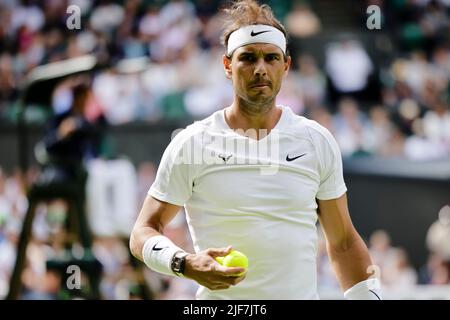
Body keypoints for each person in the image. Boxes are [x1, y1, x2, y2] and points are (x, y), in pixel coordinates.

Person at [130, 0, 382, 300]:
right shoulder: (192, 142)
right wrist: (183, 263)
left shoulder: (316, 140)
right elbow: (143, 231)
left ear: (286, 66)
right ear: (227, 66)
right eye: (248, 58)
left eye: (271, 58)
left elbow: (343, 243)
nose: (260, 69)